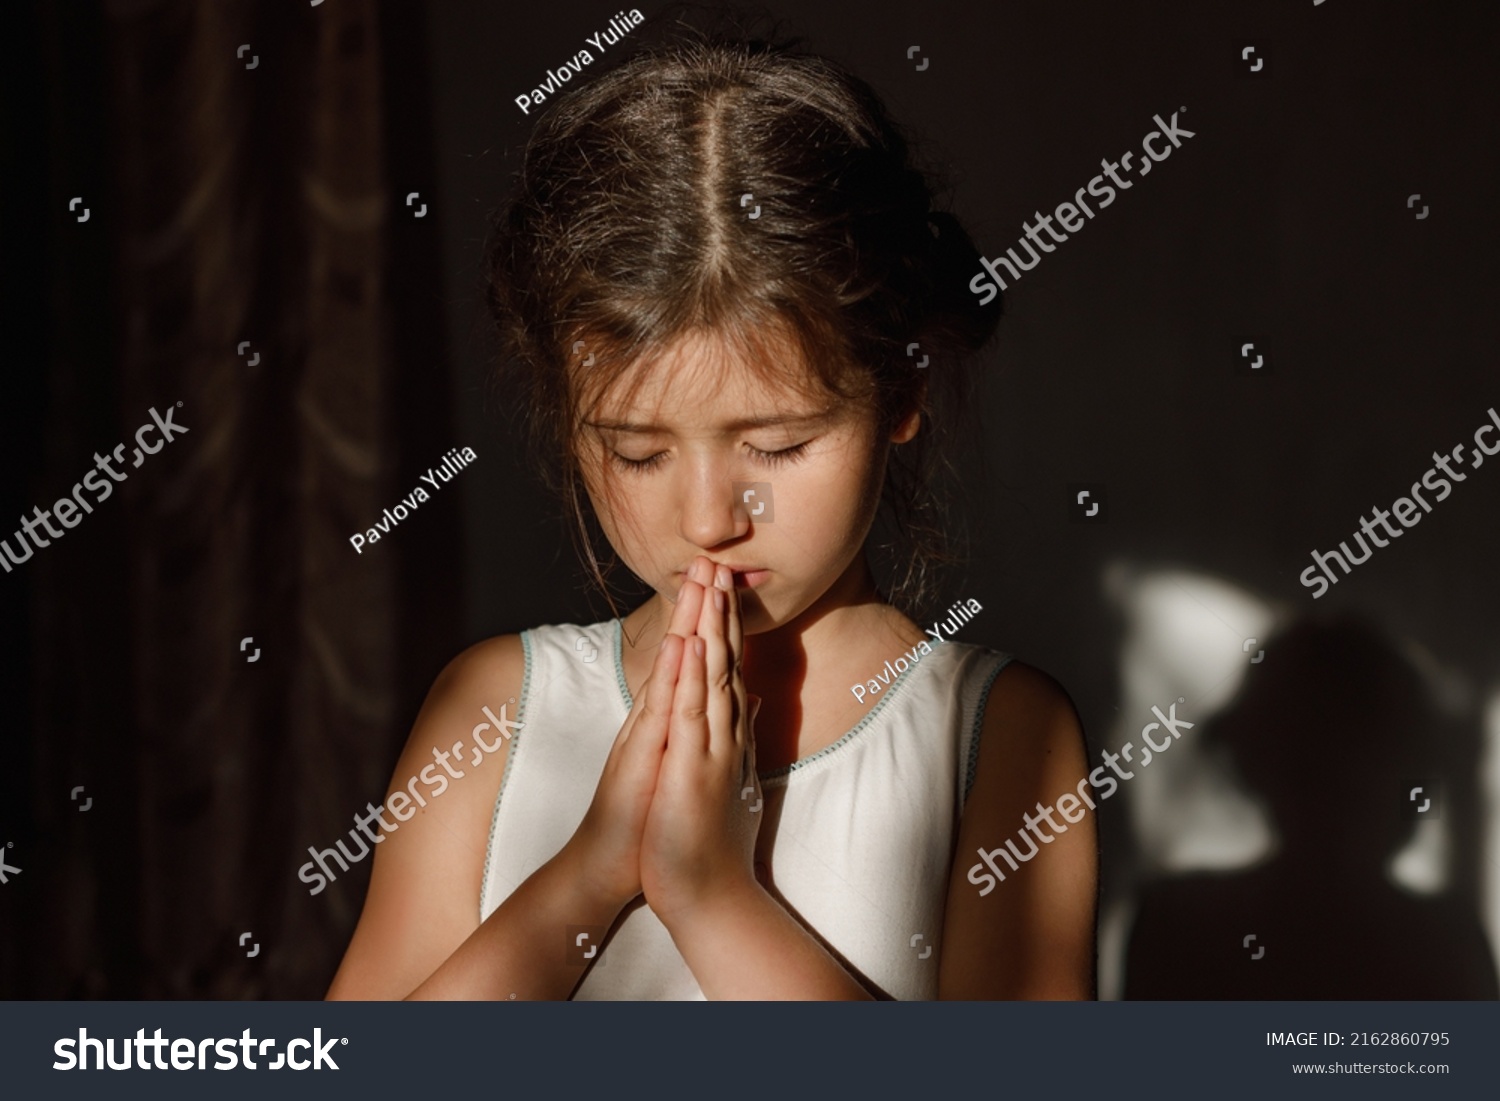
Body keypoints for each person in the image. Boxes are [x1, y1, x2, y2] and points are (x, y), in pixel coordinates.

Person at [327, 24, 1096, 1001]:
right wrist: (588, 876)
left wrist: (711, 896)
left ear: (902, 391)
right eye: (637, 451)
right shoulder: (493, 711)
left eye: (776, 446)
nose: (706, 518)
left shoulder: (998, 738)